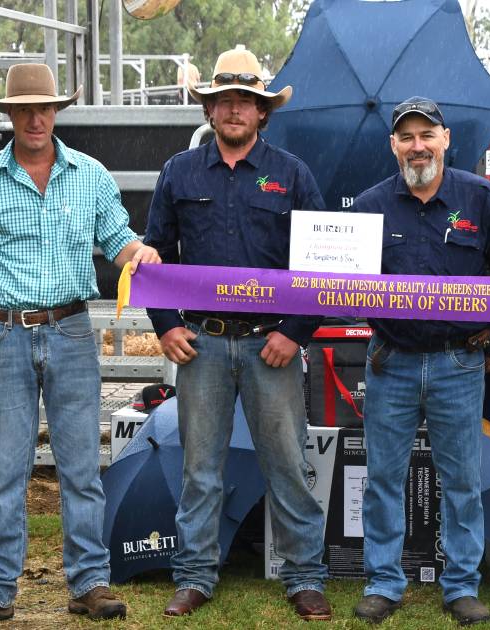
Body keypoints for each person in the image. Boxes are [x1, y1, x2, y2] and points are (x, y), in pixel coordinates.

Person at [0, 63, 159, 629]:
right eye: (24, 108)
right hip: (7, 332)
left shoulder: (89, 175)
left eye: (44, 107)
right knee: (5, 468)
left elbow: (118, 239)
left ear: (57, 112)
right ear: (8, 114)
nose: (35, 117)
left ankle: (88, 581)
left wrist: (141, 255)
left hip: (69, 330)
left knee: (80, 466)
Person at [143, 45, 332, 621]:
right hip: (200, 344)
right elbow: (155, 257)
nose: (233, 110)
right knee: (199, 467)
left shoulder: (293, 175)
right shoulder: (178, 172)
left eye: (244, 101)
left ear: (262, 112)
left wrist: (296, 333)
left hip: (271, 344)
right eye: (223, 100)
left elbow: (321, 264)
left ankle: (304, 576)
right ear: (209, 110)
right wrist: (166, 326)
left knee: (288, 464)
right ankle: (195, 574)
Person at [349, 96, 490, 626]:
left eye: (426, 135)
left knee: (461, 479)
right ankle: (384, 581)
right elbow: (338, 287)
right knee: (384, 476)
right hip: (391, 361)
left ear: (446, 139)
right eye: (406, 137)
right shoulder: (367, 207)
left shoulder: (481, 199)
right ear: (393, 145)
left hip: (459, 363)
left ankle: (461, 586)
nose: (417, 146)